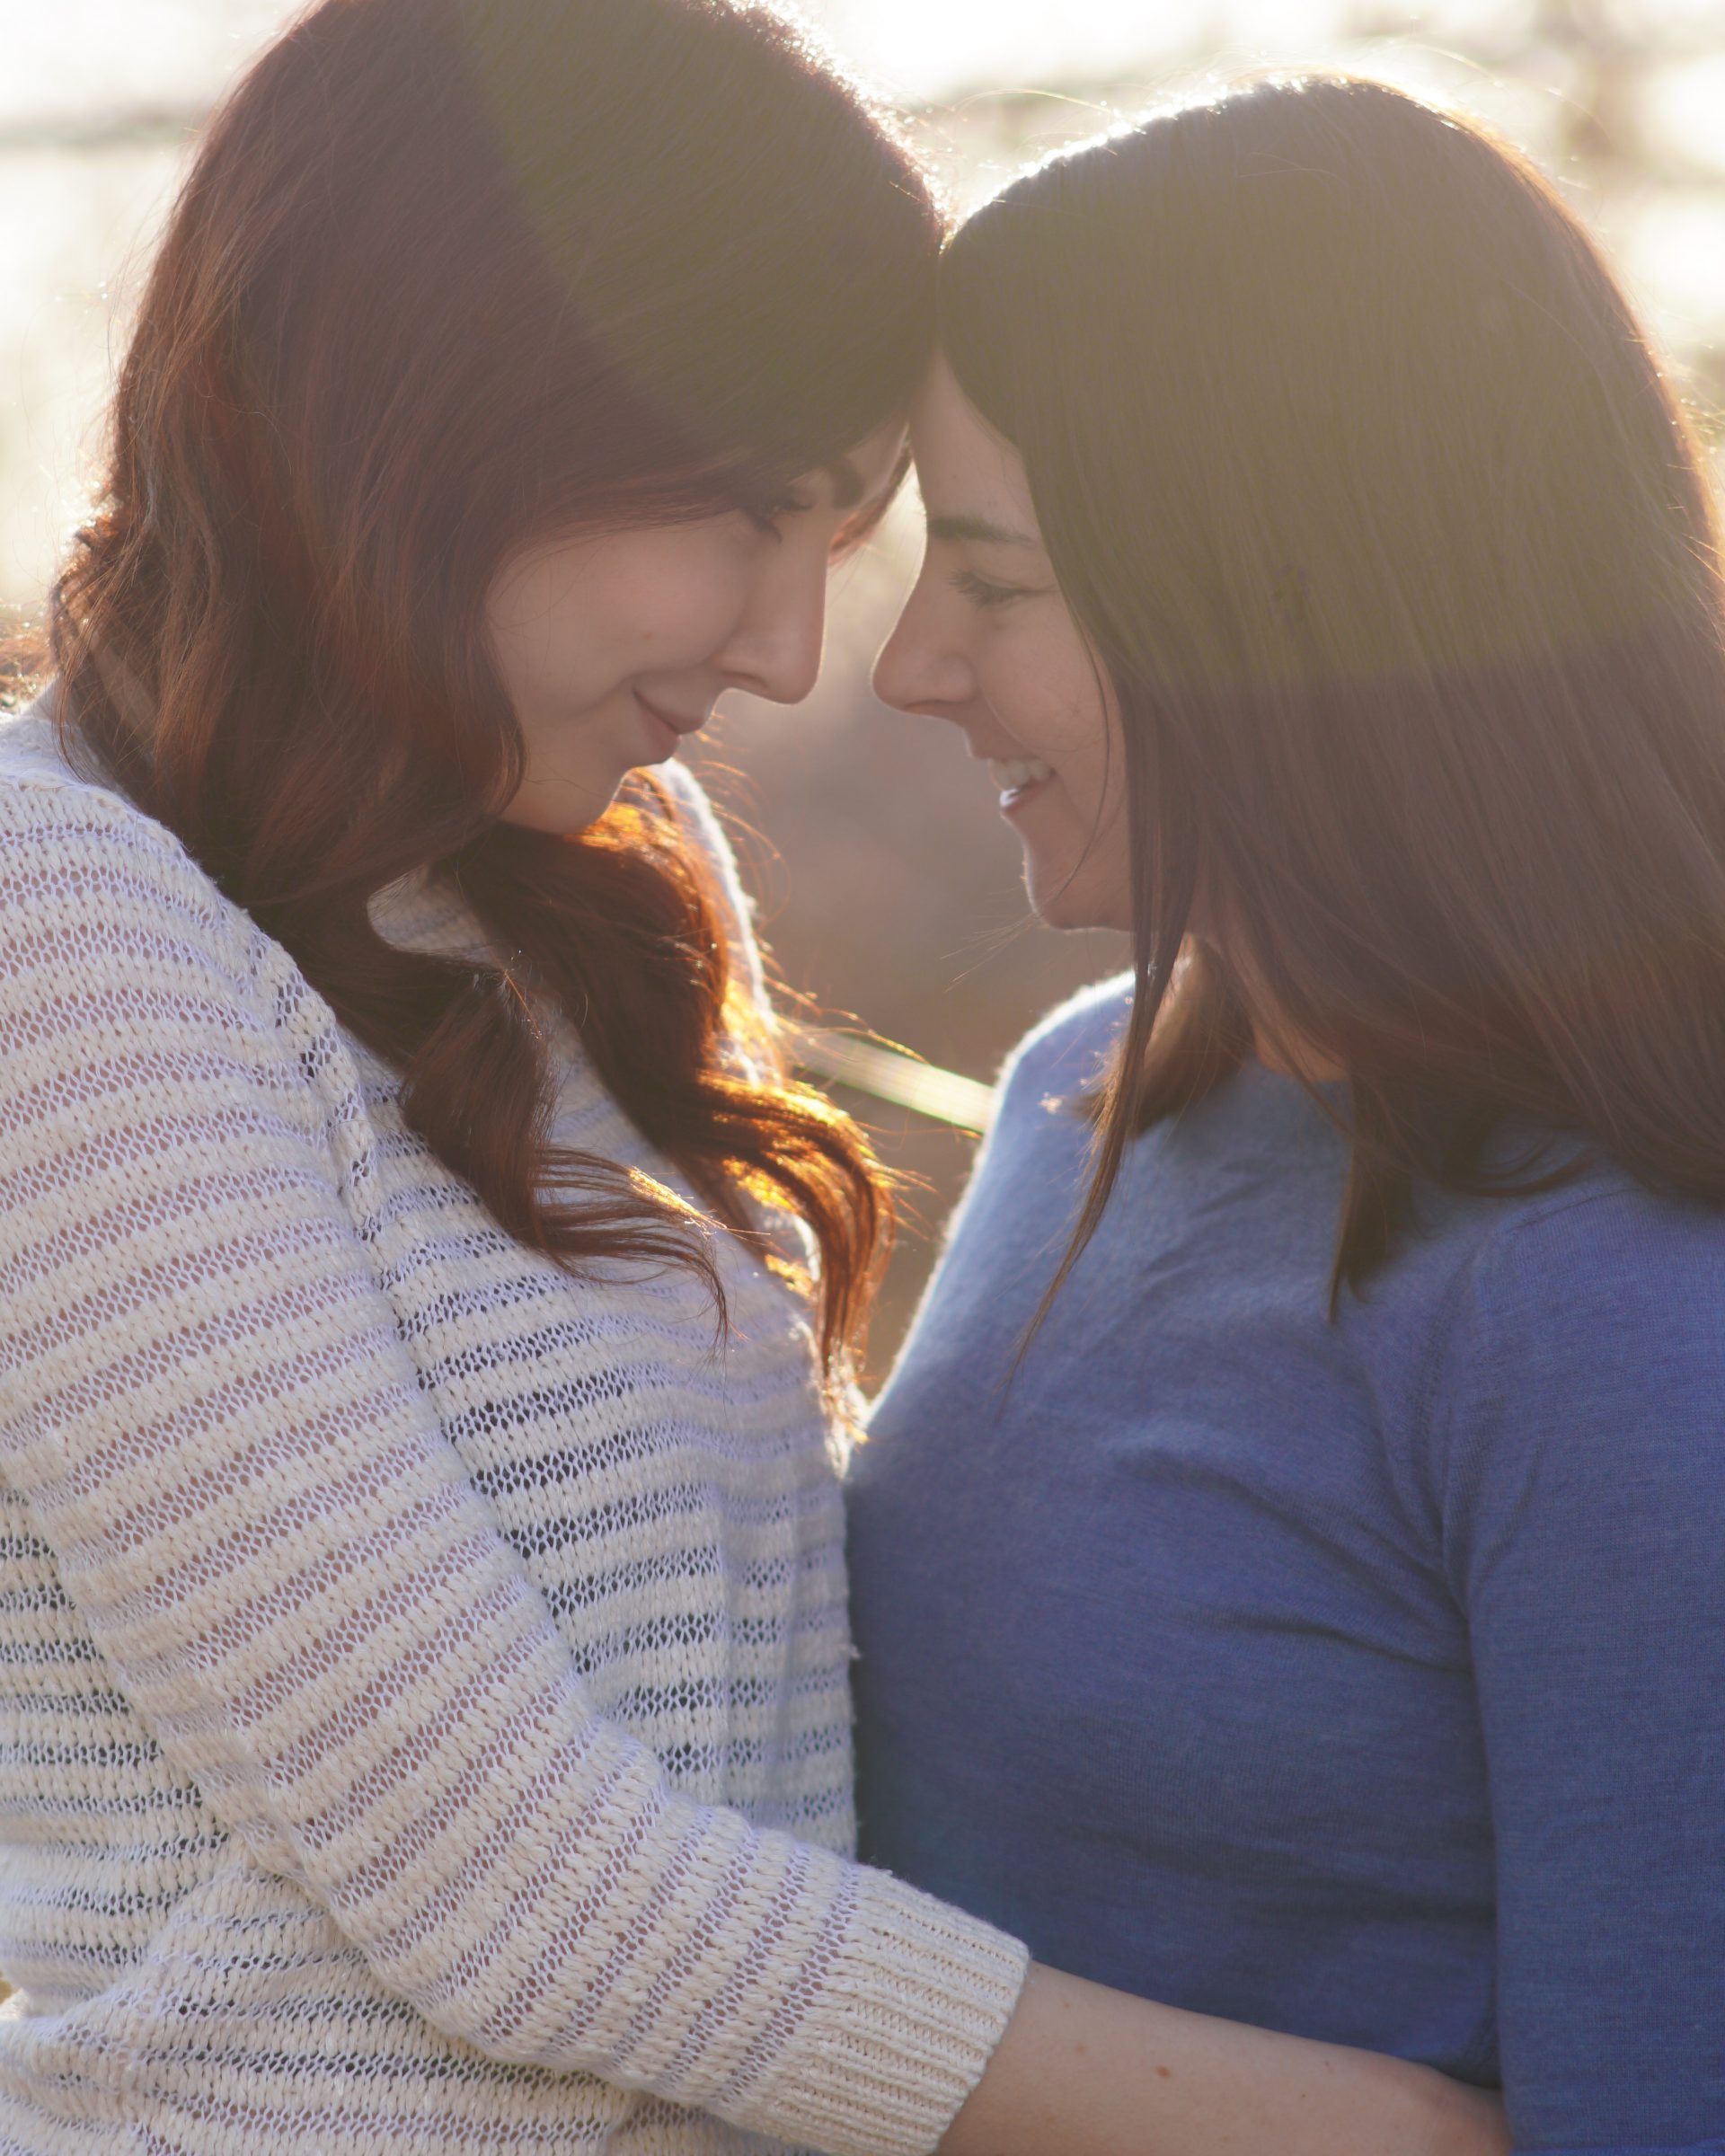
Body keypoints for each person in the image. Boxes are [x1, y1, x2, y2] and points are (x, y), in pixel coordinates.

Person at [0, 6, 1508, 2152]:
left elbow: (798, 1691)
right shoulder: (62, 920)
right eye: (747, 515)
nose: (795, 649)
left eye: (855, 532)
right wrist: (1410, 2132)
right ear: (446, 405)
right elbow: (505, 1880)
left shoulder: (579, 885)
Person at [854, 66, 1725, 2155]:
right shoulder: (1093, 1084)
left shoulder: (1621, 1302)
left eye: (990, 580)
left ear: (1268, 605)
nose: (906, 665)